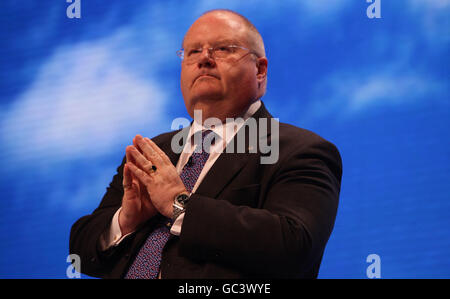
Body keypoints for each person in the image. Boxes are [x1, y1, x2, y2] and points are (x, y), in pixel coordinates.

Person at [69, 9, 342, 279]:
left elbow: (294, 246)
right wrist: (126, 220)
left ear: (260, 70)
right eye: (193, 52)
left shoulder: (300, 151)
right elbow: (81, 254)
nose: (204, 60)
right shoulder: (152, 152)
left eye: (223, 49)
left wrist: (179, 205)